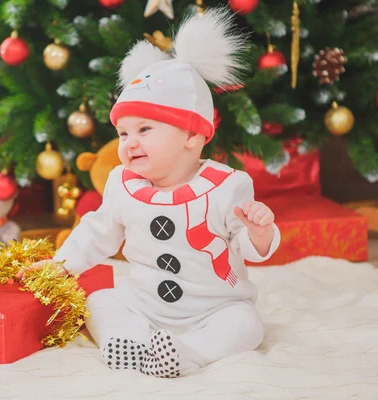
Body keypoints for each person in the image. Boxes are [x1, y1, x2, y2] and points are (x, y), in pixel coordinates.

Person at [17, 7, 280, 378]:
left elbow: (247, 247)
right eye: (124, 133)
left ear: (192, 135)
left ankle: (189, 353)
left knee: (247, 324)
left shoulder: (226, 186)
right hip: (145, 305)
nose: (129, 143)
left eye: (144, 130)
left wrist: (260, 231)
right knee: (98, 301)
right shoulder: (123, 185)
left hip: (213, 308)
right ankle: (128, 342)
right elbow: (98, 231)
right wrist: (63, 266)